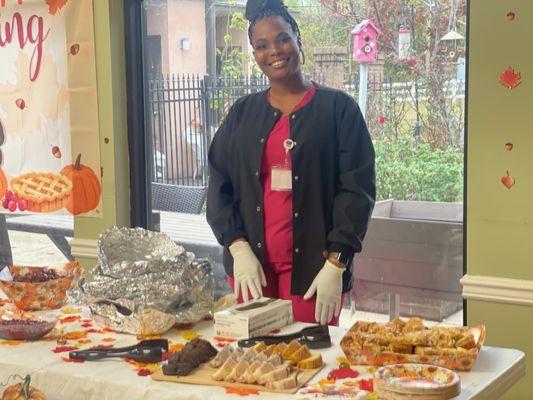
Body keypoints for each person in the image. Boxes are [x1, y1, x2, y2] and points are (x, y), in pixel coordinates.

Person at [206, 0, 375, 326]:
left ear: (298, 39)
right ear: (254, 54)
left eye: (283, 38)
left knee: (311, 366)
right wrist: (237, 247)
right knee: (252, 368)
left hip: (316, 275)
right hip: (252, 273)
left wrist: (336, 264)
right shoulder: (242, 113)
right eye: (261, 45)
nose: (274, 51)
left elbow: (357, 190)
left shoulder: (339, 110)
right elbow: (219, 181)